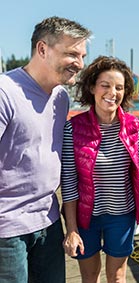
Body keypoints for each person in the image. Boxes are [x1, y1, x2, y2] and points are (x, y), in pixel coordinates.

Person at [0, 16, 91, 283]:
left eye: (82, 55)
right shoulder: (5, 92)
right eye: (72, 54)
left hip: (48, 222)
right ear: (42, 49)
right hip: (6, 229)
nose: (80, 63)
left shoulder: (61, 96)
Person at [61, 55, 139, 283]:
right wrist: (71, 230)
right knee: (90, 276)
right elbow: (69, 183)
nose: (112, 92)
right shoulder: (73, 128)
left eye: (119, 87)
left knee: (117, 277)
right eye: (105, 85)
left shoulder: (135, 127)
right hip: (86, 217)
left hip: (122, 215)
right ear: (92, 87)